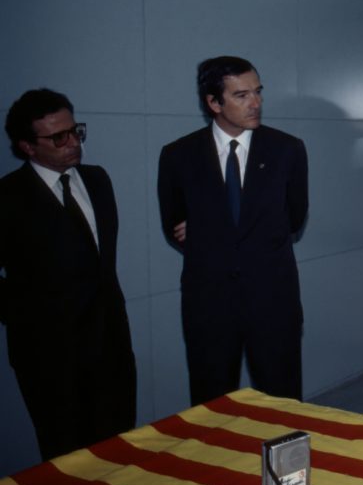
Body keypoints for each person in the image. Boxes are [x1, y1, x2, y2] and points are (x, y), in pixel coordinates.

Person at [158, 56, 308, 406]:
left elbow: (294, 218)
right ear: (213, 102)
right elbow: (175, 226)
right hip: (209, 304)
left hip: (273, 301)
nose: (255, 103)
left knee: (282, 404)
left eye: (257, 92)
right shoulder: (178, 155)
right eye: (241, 95)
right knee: (212, 408)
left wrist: (209, 228)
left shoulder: (287, 149)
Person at [1, 88, 136, 461]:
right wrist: (27, 314)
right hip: (48, 357)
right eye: (58, 137)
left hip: (111, 345)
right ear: (27, 146)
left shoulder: (97, 180)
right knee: (67, 460)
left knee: (120, 452)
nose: (72, 142)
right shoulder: (8, 197)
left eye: (75, 131)